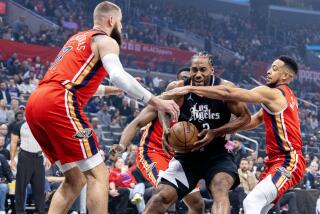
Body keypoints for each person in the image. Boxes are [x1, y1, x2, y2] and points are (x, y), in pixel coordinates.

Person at [25, 1, 179, 214]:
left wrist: (113, 90)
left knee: (75, 180)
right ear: (111, 20)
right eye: (121, 23)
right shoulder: (106, 40)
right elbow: (117, 75)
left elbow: (73, 83)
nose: (122, 28)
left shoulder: (76, 38)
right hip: (58, 103)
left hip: (37, 104)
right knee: (98, 175)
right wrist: (156, 100)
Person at [164, 55, 306, 214]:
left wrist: (190, 88)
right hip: (275, 161)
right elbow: (252, 121)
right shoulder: (286, 96)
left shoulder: (272, 93)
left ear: (285, 76)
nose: (268, 72)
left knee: (251, 202)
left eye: (274, 69)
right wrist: (220, 131)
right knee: (260, 208)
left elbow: (228, 92)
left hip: (288, 160)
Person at [144, 52, 251, 214]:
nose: (198, 74)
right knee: (162, 197)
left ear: (212, 71)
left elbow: (245, 118)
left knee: (220, 189)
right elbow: (163, 108)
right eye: (194, 70)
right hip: (186, 156)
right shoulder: (178, 87)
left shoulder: (226, 88)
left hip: (217, 155)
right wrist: (166, 129)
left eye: (203, 70)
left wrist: (215, 132)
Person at [110, 67, 205, 214]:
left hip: (181, 158)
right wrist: (121, 145)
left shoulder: (200, 108)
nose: (185, 82)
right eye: (182, 79)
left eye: (189, 79)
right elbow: (136, 124)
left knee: (197, 203)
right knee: (165, 192)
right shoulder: (160, 101)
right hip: (154, 151)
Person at [10, 121, 47, 214]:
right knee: (21, 186)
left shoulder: (43, 123)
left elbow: (48, 141)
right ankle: (19, 212)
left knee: (40, 188)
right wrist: (12, 159)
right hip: (24, 156)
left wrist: (49, 157)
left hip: (39, 157)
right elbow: (14, 142)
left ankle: (41, 212)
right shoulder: (19, 124)